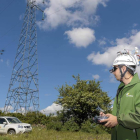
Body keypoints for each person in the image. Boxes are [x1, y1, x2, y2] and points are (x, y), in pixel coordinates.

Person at [100, 48, 140, 140]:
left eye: (115, 68)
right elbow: (118, 117)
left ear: (124, 68)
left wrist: (118, 120)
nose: (113, 72)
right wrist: (108, 118)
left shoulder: (138, 87)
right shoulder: (121, 90)